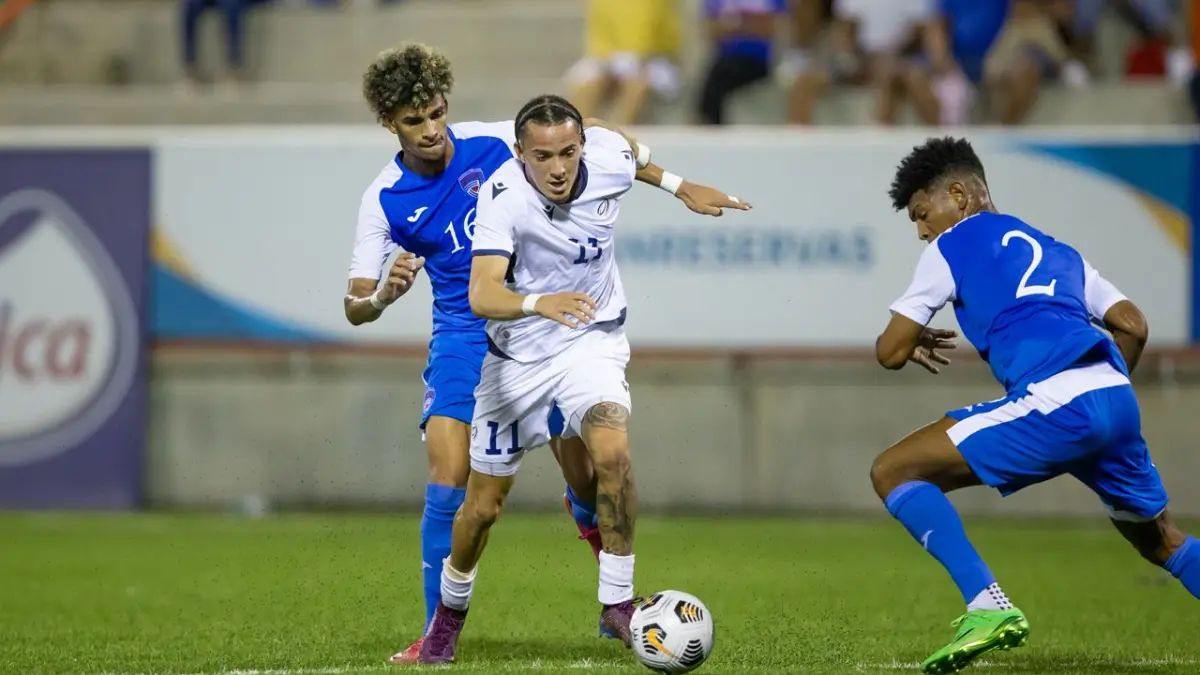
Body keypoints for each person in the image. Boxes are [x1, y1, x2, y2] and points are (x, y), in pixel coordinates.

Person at [345, 44, 749, 664]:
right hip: (470, 329)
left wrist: (677, 183)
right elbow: (357, 305)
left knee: (600, 461)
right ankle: (438, 628)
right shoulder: (390, 200)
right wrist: (382, 295)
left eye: (435, 113)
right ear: (388, 125)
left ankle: (617, 604)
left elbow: (597, 140)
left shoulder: (499, 140)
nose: (430, 131)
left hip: (572, 328)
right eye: (412, 121)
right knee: (462, 490)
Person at [871, 136, 1199, 674]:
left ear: (959, 194)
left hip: (1055, 399)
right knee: (1162, 541)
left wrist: (914, 337)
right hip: (1111, 395)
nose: (922, 230)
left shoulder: (951, 246)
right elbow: (1133, 325)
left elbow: (889, 351)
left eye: (922, 214)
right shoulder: (1059, 251)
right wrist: (1098, 404)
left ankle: (986, 606)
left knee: (893, 470)